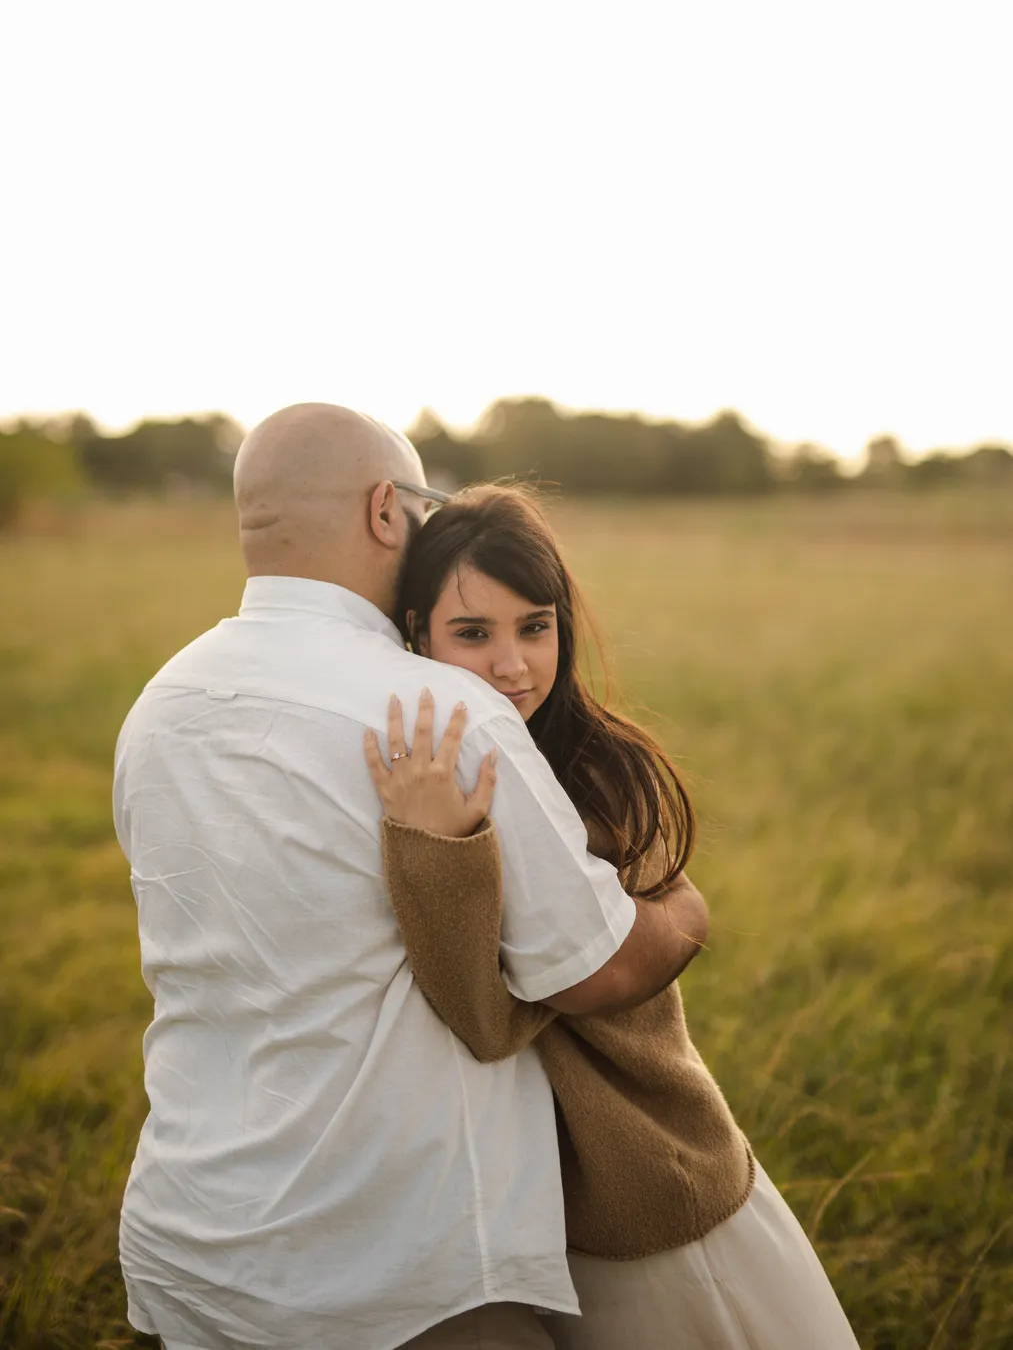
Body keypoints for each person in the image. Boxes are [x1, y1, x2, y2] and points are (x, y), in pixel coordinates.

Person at [112, 403, 708, 1350]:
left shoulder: (158, 705)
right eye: (424, 506)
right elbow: (594, 968)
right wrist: (684, 910)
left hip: (187, 1243)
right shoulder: (437, 708)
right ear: (386, 508)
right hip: (399, 1263)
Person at [366, 483, 862, 1350]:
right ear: (416, 632)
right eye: (472, 633)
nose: (512, 665)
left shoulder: (595, 768)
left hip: (639, 1179)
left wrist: (434, 847)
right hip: (518, 1210)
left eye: (534, 626)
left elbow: (489, 1016)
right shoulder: (430, 767)